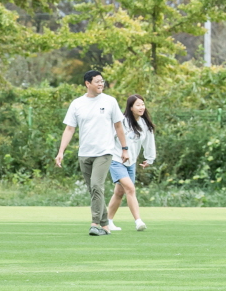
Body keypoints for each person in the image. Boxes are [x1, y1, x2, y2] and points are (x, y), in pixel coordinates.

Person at [55, 70, 130, 236]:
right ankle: (105, 225)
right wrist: (61, 151)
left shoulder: (110, 101)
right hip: (85, 153)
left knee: (97, 185)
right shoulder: (77, 104)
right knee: (94, 190)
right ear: (87, 83)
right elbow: (69, 129)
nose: (101, 84)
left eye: (102, 81)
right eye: (97, 81)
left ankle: (95, 223)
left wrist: (124, 149)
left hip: (104, 152)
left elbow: (119, 127)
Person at [106, 94, 156, 232]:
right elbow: (109, 137)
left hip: (131, 162)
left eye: (143, 104)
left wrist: (149, 159)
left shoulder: (145, 124)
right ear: (131, 107)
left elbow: (149, 142)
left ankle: (108, 221)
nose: (141, 107)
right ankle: (138, 221)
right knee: (130, 188)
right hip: (116, 160)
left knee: (119, 193)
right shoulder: (121, 121)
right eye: (138, 105)